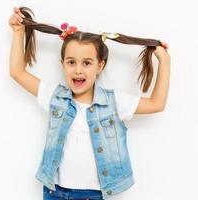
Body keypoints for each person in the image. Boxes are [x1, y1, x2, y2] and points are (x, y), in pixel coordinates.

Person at [9, 6, 170, 200]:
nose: (78, 70)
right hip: (54, 191)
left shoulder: (114, 102)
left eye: (87, 63)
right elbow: (17, 72)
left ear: (100, 65)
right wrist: (18, 33)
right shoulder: (55, 97)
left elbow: (156, 103)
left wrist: (165, 62)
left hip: (92, 195)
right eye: (71, 62)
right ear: (62, 64)